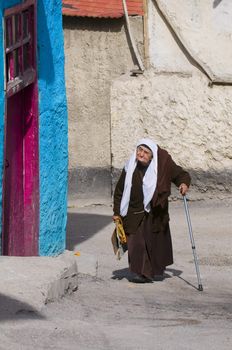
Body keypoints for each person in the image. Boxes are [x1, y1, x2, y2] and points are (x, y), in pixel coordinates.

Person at [113, 138, 191, 283]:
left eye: (145, 152)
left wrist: (183, 183)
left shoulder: (162, 165)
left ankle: (151, 271)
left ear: (152, 156)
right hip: (133, 211)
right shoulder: (130, 167)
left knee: (153, 242)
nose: (141, 154)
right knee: (136, 243)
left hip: (155, 212)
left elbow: (181, 175)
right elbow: (119, 191)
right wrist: (117, 212)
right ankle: (140, 273)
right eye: (139, 150)